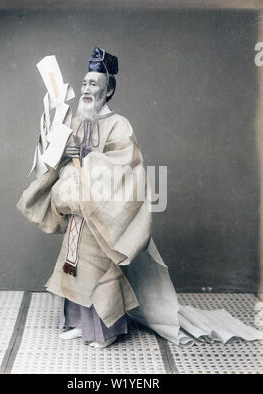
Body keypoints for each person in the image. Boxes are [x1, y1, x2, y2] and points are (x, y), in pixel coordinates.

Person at [17, 48, 263, 348]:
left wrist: (88, 158)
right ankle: (77, 323)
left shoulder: (120, 124)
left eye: (93, 84)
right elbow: (58, 160)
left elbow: (126, 166)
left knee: (98, 270)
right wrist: (63, 155)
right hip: (78, 212)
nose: (85, 89)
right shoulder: (77, 123)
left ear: (109, 90)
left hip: (102, 216)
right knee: (73, 268)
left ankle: (106, 332)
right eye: (83, 84)